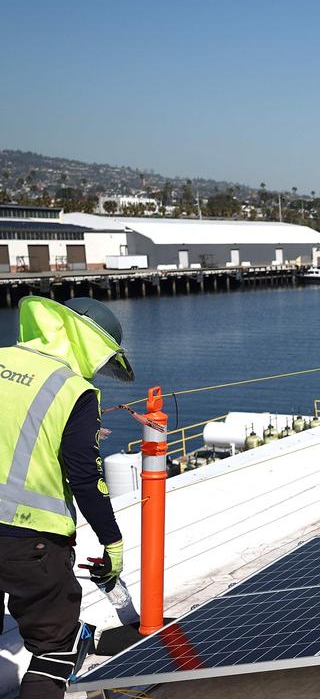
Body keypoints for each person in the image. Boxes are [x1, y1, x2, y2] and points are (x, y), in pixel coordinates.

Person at [0, 296, 134, 698]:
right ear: (92, 344)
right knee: (55, 649)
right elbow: (85, 479)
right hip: (31, 541)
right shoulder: (74, 390)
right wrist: (113, 542)